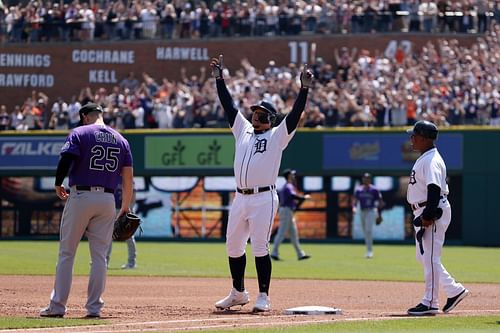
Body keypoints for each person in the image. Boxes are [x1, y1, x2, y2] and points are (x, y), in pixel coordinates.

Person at [210, 54, 313, 312]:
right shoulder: (242, 130)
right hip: (240, 197)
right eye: (255, 111)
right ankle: (238, 292)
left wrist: (304, 89)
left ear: (271, 118)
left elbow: (296, 114)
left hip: (263, 197)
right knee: (233, 246)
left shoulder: (278, 136)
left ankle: (263, 295)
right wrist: (219, 80)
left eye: (261, 112)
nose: (255, 115)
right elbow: (228, 106)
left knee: (259, 246)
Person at [40, 103, 134, 318]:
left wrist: (57, 183)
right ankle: (94, 308)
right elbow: (128, 178)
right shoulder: (121, 139)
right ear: (101, 115)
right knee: (100, 257)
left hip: (81, 195)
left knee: (67, 253)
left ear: (84, 116)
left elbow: (66, 159)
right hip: (108, 199)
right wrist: (125, 207)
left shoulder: (80, 132)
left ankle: (57, 307)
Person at [405, 120, 469, 316]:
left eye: (414, 135)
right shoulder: (426, 157)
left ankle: (430, 302)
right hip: (426, 209)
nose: (411, 138)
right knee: (424, 257)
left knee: (431, 257)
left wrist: (428, 215)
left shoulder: (431, 159)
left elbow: (434, 188)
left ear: (424, 138)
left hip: (432, 210)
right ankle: (454, 290)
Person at [271, 169, 311, 261]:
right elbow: (293, 196)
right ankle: (274, 252)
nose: (293, 176)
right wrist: (304, 197)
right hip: (286, 210)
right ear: (288, 176)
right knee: (281, 232)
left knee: (293, 234)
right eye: (292, 174)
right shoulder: (288, 186)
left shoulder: (288, 186)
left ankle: (300, 254)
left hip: (288, 211)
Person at [106, 181, 137, 269]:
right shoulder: (113, 176)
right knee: (109, 236)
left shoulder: (128, 177)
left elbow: (133, 195)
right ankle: (105, 261)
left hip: (125, 210)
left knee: (129, 237)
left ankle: (132, 263)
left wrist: (130, 209)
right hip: (112, 209)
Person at [351, 172, 383, 258]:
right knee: (365, 231)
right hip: (362, 211)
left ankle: (369, 251)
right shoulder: (359, 189)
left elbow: (380, 202)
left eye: (368, 178)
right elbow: (355, 200)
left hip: (371, 211)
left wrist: (379, 215)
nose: (366, 179)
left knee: (369, 230)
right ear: (362, 179)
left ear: (370, 179)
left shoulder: (374, 190)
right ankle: (368, 249)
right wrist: (354, 207)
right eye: (365, 178)